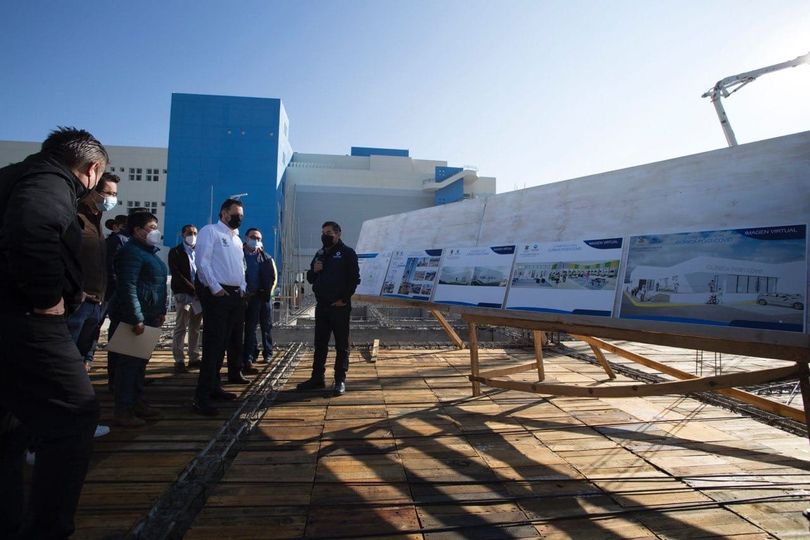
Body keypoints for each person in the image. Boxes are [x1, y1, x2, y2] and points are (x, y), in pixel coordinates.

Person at [0, 127, 107, 539]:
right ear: (91, 169)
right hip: (26, 317)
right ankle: (47, 528)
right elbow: (33, 228)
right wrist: (48, 297)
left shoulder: (13, 175)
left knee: (9, 424)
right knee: (73, 415)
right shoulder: (51, 181)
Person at [107, 211, 168, 427]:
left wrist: (161, 310)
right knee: (128, 365)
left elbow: (156, 284)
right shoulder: (131, 252)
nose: (155, 231)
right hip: (135, 319)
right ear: (137, 230)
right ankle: (123, 410)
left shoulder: (148, 252)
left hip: (150, 316)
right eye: (151, 227)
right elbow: (127, 286)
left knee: (140, 364)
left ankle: (137, 402)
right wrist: (136, 317)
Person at [192, 199, 249, 416]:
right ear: (224, 213)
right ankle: (201, 397)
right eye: (236, 214)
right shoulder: (210, 232)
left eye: (241, 215)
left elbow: (240, 267)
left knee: (225, 343)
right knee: (213, 345)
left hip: (235, 296)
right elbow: (203, 263)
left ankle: (215, 387)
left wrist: (242, 287)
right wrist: (215, 288)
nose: (239, 218)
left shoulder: (235, 239)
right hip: (218, 295)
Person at [297, 221, 360, 396]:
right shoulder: (320, 254)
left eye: (329, 232)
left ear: (338, 234)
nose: (325, 235)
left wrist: (344, 299)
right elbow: (309, 278)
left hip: (339, 307)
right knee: (320, 344)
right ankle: (317, 377)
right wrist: (315, 270)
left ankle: (339, 380)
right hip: (322, 306)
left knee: (341, 345)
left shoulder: (347, 253)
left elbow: (354, 279)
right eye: (324, 232)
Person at [67, 173, 119, 373]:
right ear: (92, 192)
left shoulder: (95, 220)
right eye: (108, 193)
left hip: (96, 302)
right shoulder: (75, 218)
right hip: (78, 301)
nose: (112, 198)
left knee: (82, 356)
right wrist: (75, 291)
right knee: (66, 358)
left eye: (115, 194)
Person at [242, 227, 277, 371]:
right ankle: (250, 355)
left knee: (266, 326)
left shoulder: (266, 258)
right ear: (246, 238)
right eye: (253, 237)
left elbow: (273, 277)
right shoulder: (240, 256)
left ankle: (268, 352)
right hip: (249, 297)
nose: (255, 240)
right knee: (250, 328)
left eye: (258, 239)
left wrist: (268, 292)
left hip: (264, 297)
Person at [169, 224, 202, 373]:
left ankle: (194, 357)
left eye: (195, 233)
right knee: (181, 327)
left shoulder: (201, 251)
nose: (193, 235)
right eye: (189, 233)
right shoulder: (175, 252)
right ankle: (179, 359)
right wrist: (192, 289)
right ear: (183, 234)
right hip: (184, 293)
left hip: (199, 296)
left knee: (195, 328)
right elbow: (178, 274)